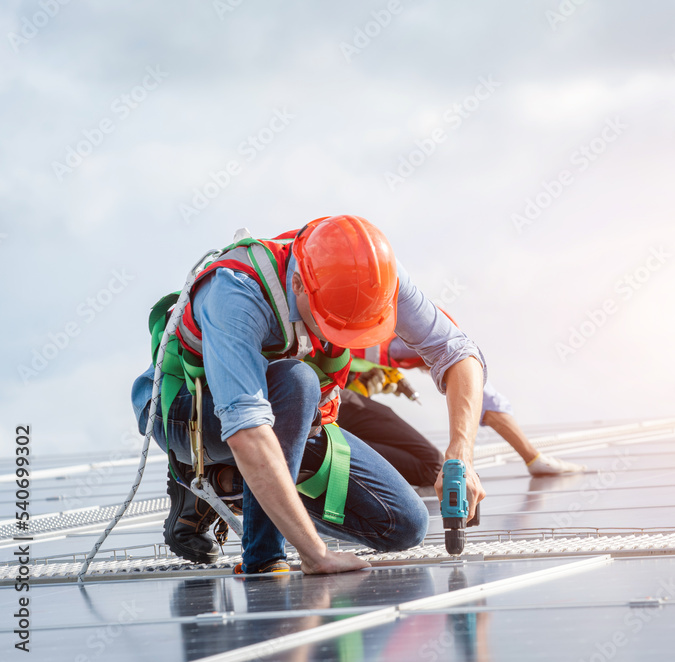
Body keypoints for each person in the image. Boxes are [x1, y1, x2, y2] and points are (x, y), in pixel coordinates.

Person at [131, 216, 486, 574]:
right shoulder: (236, 293)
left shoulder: (375, 274)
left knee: (404, 524)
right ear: (299, 284)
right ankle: (263, 554)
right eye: (333, 323)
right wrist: (315, 553)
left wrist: (461, 455)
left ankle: (225, 483)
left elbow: (455, 351)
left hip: (278, 416)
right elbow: (246, 430)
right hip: (184, 412)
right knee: (297, 379)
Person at [350, 334, 586, 479]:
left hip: (331, 397)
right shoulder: (424, 341)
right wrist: (532, 457)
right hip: (327, 400)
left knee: (429, 463)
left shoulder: (396, 340)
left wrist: (363, 386)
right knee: (431, 464)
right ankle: (326, 450)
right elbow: (483, 401)